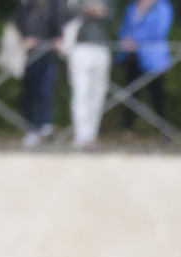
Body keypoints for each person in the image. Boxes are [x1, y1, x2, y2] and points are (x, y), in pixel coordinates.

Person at [114, 0, 171, 133]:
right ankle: (127, 129)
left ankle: (164, 131)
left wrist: (135, 39)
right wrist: (124, 41)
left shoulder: (161, 7)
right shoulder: (132, 7)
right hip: (132, 56)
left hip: (153, 57)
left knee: (157, 94)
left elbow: (160, 30)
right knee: (131, 93)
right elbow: (125, 27)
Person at [15, 0, 67, 144]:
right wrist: (25, 39)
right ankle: (31, 128)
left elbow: (59, 27)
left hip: (48, 54)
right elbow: (19, 23)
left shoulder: (55, 6)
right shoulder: (26, 6)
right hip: (29, 55)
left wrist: (57, 39)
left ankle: (45, 125)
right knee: (30, 91)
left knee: (46, 90)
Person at [66, 0, 111, 147]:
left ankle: (91, 134)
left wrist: (92, 11)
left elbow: (110, 15)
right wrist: (90, 10)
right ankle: (81, 135)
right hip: (80, 47)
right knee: (81, 92)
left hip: (101, 48)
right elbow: (67, 12)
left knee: (98, 93)